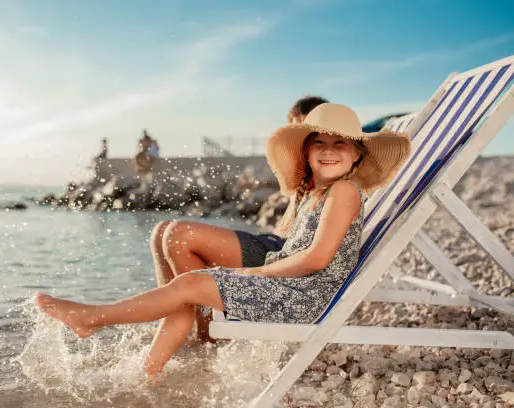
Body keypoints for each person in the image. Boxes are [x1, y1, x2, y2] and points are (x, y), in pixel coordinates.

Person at [36, 103, 411, 383]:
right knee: (187, 286)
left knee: (189, 284)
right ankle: (150, 371)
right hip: (292, 285)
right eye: (320, 143)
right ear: (307, 151)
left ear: (359, 153)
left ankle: (92, 319)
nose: (328, 150)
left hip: (305, 296)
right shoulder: (321, 192)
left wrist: (255, 271)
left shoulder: (344, 190)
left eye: (340, 144)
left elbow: (316, 259)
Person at [149, 96, 328, 343]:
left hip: (282, 255)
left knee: (179, 235)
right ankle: (176, 326)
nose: (301, 136)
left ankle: (207, 337)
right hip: (273, 243)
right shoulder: (306, 170)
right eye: (295, 129)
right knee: (162, 230)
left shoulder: (332, 171)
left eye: (307, 127)